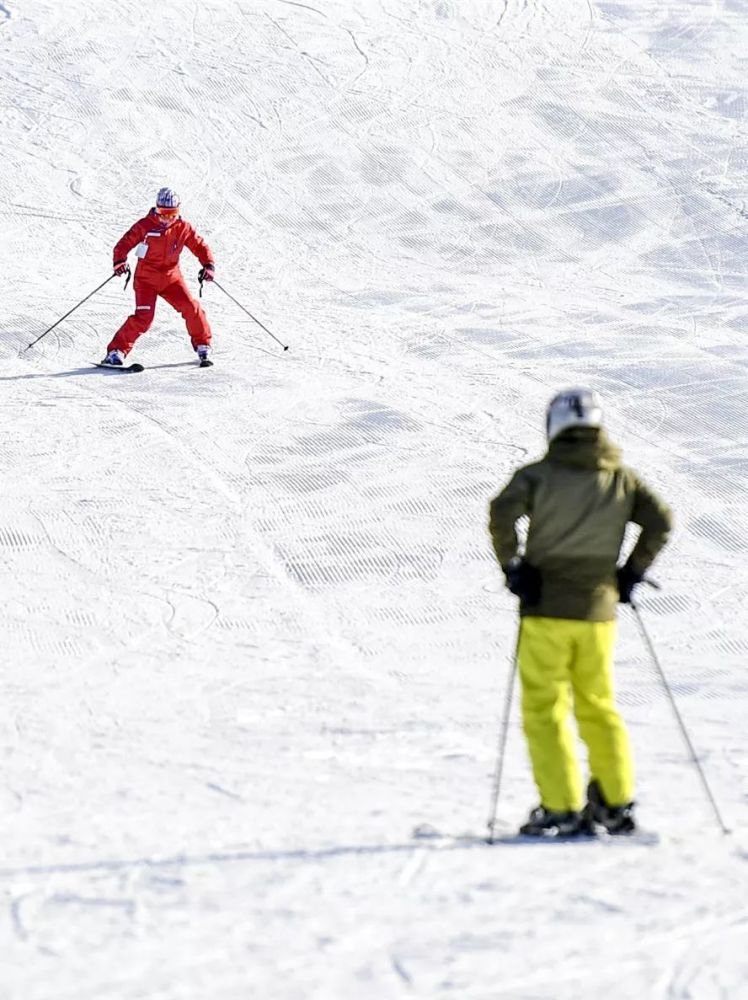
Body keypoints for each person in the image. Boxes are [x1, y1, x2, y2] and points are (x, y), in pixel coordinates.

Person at [488, 388, 672, 837]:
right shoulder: (622, 479)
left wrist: (514, 567)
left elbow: (501, 513)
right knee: (598, 706)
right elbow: (660, 521)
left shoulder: (537, 475)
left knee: (545, 708)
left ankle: (561, 806)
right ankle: (614, 802)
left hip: (545, 610)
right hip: (598, 615)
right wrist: (629, 573)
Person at [103, 187, 215, 366]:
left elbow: (199, 245)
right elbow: (124, 244)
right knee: (144, 318)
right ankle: (116, 352)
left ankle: (203, 345)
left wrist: (208, 264)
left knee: (191, 307)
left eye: (173, 213)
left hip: (172, 279)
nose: (168, 218)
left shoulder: (182, 227)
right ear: (156, 209)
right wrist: (119, 261)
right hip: (146, 279)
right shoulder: (144, 226)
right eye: (164, 213)